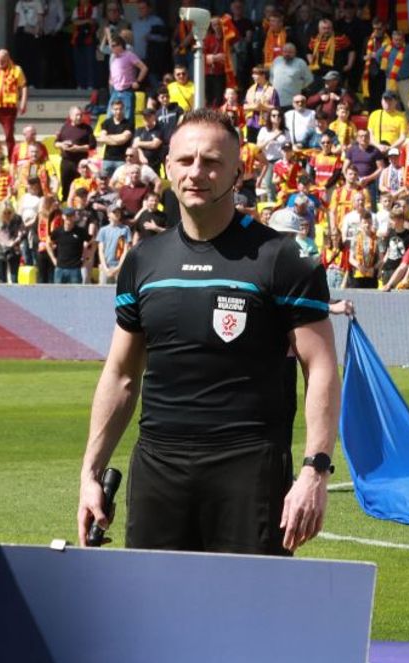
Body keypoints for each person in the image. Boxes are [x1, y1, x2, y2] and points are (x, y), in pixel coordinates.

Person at [78, 108, 338, 556]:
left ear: (238, 170)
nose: (196, 172)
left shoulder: (283, 257)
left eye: (212, 161)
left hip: (249, 469)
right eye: (185, 160)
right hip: (157, 468)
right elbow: (121, 375)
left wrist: (315, 470)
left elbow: (321, 368)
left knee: (246, 601)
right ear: (167, 167)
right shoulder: (144, 260)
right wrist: (90, 473)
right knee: (153, 599)